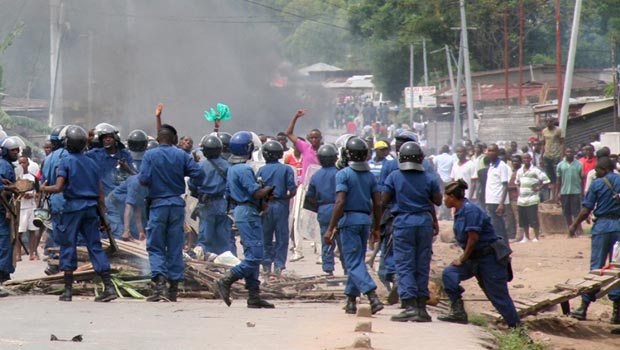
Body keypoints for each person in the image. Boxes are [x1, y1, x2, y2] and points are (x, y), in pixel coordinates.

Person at [40, 125, 117, 303]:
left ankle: (68, 291)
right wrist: (103, 215)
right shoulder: (92, 162)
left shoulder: (65, 162)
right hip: (91, 209)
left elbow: (58, 187)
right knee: (95, 246)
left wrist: (44, 188)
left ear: (67, 143)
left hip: (72, 209)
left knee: (68, 245)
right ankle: (109, 287)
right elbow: (100, 193)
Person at [438, 180, 521, 328]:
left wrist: (462, 258)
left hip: (489, 259)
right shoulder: (460, 210)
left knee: (498, 296)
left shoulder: (470, 211)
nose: (444, 200)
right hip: (473, 258)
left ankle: (517, 328)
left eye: (445, 196)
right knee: (449, 275)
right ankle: (458, 312)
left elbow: (473, 238)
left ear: (452, 197)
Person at [139, 124, 205, 302]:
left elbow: (143, 179)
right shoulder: (182, 155)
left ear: (158, 139)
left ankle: (160, 286)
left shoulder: (150, 155)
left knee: (156, 246)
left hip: (158, 205)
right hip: (176, 205)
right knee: (175, 245)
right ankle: (173, 289)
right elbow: (199, 174)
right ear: (173, 139)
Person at [382, 142, 442, 322]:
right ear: (421, 159)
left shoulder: (394, 176)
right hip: (424, 222)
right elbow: (437, 201)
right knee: (422, 263)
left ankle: (409, 305)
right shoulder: (429, 178)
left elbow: (383, 200)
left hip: (403, 222)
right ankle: (422, 308)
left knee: (404, 264)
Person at [216, 131, 276, 309]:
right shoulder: (244, 169)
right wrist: (269, 188)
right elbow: (256, 192)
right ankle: (226, 280)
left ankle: (254, 296)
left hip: (242, 211)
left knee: (252, 252)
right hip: (248, 212)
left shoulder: (232, 168)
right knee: (255, 257)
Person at [324, 137, 384, 315]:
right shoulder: (370, 176)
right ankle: (350, 300)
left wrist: (330, 228)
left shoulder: (343, 174)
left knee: (351, 263)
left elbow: (340, 201)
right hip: (365, 221)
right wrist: (376, 227)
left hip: (349, 221)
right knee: (357, 260)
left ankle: (372, 295)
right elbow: (378, 203)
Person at [568, 157, 620, 324]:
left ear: (604, 169)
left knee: (596, 267)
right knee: (617, 268)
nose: (595, 172)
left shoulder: (597, 184)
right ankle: (617, 312)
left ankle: (583, 307)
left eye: (597, 169)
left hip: (602, 227)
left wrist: (575, 224)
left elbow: (587, 208)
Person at [286, 109, 321, 262]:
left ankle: (320, 252)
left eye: (316, 137)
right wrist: (295, 117)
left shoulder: (325, 151)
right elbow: (288, 133)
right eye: (311, 137)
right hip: (304, 187)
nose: (314, 140)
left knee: (319, 220)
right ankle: (298, 250)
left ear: (320, 139)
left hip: (319, 189)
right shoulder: (304, 147)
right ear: (308, 139)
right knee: (297, 218)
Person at [257, 140, 296, 275]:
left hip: (266, 205)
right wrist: (286, 198)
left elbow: (258, 189)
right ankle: (279, 266)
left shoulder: (261, 170)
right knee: (282, 236)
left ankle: (266, 265)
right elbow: (292, 190)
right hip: (281, 205)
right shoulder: (287, 169)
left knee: (265, 236)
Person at [189, 135, 232, 256]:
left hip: (206, 204)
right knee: (223, 238)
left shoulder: (200, 166)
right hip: (222, 204)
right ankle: (224, 262)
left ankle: (207, 264)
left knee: (205, 238)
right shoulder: (227, 165)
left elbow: (192, 184)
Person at [306, 144, 344, 276]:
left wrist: (320, 207)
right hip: (340, 210)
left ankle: (328, 270)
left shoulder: (316, 176)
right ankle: (347, 269)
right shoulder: (341, 173)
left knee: (326, 241)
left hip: (324, 210)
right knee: (343, 241)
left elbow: (310, 197)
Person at [87, 123, 135, 196]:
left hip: (122, 197)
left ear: (116, 139)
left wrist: (127, 168)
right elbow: (79, 156)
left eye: (110, 137)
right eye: (104, 137)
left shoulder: (125, 155)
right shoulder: (95, 154)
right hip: (105, 197)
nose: (107, 139)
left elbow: (136, 177)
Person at [0, 137, 20, 294]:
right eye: (13, 150)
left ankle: (5, 272)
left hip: (6, 209)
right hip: (2, 210)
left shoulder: (9, 165)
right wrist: (11, 188)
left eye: (17, 150)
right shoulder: (3, 165)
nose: (16, 153)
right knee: (4, 242)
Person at [515, 153, 550, 242]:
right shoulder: (519, 171)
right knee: (523, 220)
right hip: (521, 199)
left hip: (532, 198)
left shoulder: (535, 170)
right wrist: (519, 191)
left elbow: (546, 180)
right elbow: (517, 183)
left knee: (533, 218)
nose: (526, 160)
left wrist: (539, 188)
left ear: (530, 159)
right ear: (522, 160)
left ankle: (536, 237)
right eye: (524, 158)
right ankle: (526, 237)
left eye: (527, 158)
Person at [485, 144, 511, 246]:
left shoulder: (502, 166)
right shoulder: (491, 166)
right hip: (490, 199)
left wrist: (501, 203)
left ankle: (503, 246)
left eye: (493, 151)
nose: (490, 153)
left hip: (497, 200)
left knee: (498, 225)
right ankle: (502, 246)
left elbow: (505, 185)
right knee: (495, 225)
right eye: (489, 151)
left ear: (497, 152)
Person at [556, 147, 583, 238]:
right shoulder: (560, 165)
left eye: (571, 151)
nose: (569, 153)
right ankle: (570, 230)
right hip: (564, 192)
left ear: (574, 153)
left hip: (576, 191)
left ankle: (576, 229)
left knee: (576, 213)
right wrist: (557, 193)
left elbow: (582, 179)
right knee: (567, 213)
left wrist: (582, 192)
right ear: (565, 153)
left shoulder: (579, 164)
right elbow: (558, 180)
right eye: (567, 152)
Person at [17, 156, 38, 261]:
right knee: (19, 231)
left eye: (24, 163)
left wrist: (32, 195)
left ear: (28, 164)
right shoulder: (17, 177)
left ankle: (32, 254)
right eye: (20, 163)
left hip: (31, 206)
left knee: (32, 230)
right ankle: (18, 254)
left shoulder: (33, 177)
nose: (22, 165)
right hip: (21, 207)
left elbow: (38, 192)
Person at [541, 118, 564, 198]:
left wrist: (561, 156)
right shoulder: (544, 131)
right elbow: (543, 144)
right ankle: (552, 197)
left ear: (553, 122)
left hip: (556, 155)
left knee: (557, 176)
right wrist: (541, 156)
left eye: (550, 121)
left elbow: (562, 143)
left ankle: (557, 195)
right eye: (547, 121)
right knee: (550, 177)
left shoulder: (558, 130)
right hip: (547, 156)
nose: (548, 123)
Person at [433, 145, 454, 220]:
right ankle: (447, 214)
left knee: (441, 196)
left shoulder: (437, 157)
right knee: (448, 196)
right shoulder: (452, 158)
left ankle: (440, 214)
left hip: (440, 179)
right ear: (448, 150)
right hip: (449, 179)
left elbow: (433, 165)